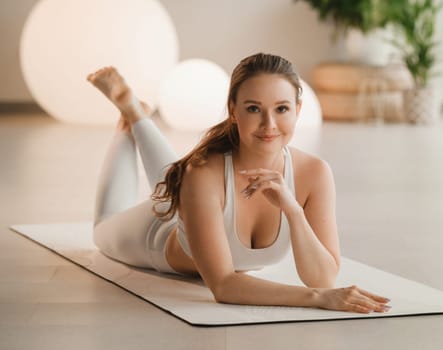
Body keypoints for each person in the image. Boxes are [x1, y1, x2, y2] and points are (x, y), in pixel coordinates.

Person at [87, 53, 390, 314]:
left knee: (176, 177)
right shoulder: (202, 173)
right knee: (102, 228)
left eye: (282, 109)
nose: (269, 124)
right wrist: (317, 299)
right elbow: (223, 284)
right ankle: (128, 116)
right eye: (254, 109)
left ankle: (136, 112)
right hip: (156, 233)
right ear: (233, 110)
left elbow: (323, 277)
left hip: (198, 199)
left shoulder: (315, 173)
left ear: (298, 110)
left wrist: (293, 210)